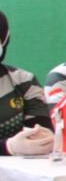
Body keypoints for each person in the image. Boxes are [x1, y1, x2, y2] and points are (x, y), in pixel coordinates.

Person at [0, 10, 54, 157]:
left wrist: (42, 137)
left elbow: (40, 127)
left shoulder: (24, 81)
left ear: (5, 39)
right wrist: (7, 147)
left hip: (14, 176)